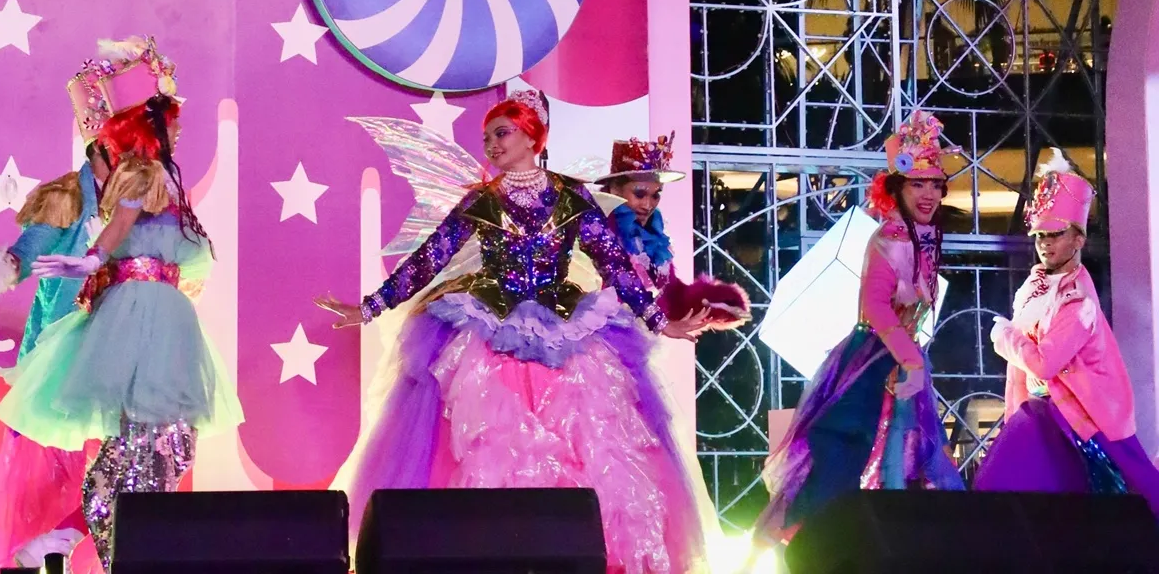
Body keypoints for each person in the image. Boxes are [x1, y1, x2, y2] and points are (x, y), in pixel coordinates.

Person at [316, 90, 719, 573]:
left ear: (531, 136)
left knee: (589, 441)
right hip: (490, 330)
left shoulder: (571, 197)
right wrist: (371, 307)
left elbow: (614, 265)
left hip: (564, 332)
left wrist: (660, 322)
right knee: (486, 442)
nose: (491, 144)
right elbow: (431, 257)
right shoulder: (482, 199)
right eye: (487, 137)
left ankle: (568, 550)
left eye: (501, 133)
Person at [0, 36, 244, 571]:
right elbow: (118, 224)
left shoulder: (159, 179)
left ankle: (69, 539)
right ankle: (107, 550)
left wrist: (155, 74)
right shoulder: (139, 174)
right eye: (171, 124)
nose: (179, 131)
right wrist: (86, 261)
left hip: (159, 315)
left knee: (156, 447)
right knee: (149, 447)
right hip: (142, 317)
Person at [753, 111, 965, 545]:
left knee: (912, 452)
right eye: (917, 184)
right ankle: (827, 545)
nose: (928, 194)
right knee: (849, 450)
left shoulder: (923, 237)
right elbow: (874, 306)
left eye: (934, 184)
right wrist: (909, 359)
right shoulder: (890, 240)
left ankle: (902, 543)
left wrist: (912, 360)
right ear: (897, 187)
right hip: (874, 359)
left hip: (903, 357)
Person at [974, 148, 1159, 514]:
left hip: (1079, 415)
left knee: (1126, 499)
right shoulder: (1034, 287)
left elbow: (1044, 365)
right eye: (1040, 235)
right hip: (1043, 410)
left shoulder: (1078, 303)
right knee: (1012, 489)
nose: (1045, 243)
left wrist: (1004, 337)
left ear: (1078, 240)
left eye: (1055, 235)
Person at [0, 134, 113, 573]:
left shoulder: (133, 201)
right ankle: (41, 548)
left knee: (117, 459)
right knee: (47, 463)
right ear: (99, 150)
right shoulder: (66, 197)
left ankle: (77, 546)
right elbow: (27, 253)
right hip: (63, 350)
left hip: (114, 345)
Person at [596, 133, 748, 330]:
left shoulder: (653, 236)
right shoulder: (597, 227)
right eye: (639, 194)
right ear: (615, 190)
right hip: (593, 333)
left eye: (655, 195)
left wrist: (717, 303)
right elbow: (619, 282)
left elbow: (673, 300)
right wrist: (659, 322)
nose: (648, 205)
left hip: (634, 336)